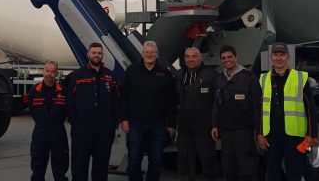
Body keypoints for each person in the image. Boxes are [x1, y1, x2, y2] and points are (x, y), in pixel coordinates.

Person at [256, 43, 317, 181]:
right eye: (276, 55)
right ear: (271, 58)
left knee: (294, 174)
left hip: (294, 137)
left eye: (282, 55)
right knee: (272, 174)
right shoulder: (263, 79)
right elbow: (259, 110)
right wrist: (259, 134)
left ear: (288, 57)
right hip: (270, 136)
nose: (279, 58)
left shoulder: (300, 78)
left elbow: (310, 108)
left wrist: (311, 135)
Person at [120, 41, 177, 181]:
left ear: (157, 54)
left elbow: (172, 100)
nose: (149, 55)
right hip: (135, 124)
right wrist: (124, 119)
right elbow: (123, 97)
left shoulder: (165, 73)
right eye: (147, 52)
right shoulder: (131, 71)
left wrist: (171, 124)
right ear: (142, 54)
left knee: (156, 160)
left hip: (158, 125)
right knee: (134, 160)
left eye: (152, 52)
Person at [67, 42, 120, 181]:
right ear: (88, 54)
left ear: (102, 55)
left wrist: (112, 125)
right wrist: (75, 122)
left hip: (104, 131)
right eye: (94, 52)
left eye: (99, 53)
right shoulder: (77, 76)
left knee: (101, 167)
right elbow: (69, 101)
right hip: (82, 130)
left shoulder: (110, 77)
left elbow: (116, 103)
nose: (96, 55)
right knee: (79, 166)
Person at [211, 45, 260, 181]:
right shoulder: (220, 79)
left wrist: (258, 130)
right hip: (226, 131)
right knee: (228, 165)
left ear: (236, 57)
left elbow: (257, 106)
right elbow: (216, 104)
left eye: (229, 57)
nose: (227, 60)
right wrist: (215, 125)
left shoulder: (249, 78)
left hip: (244, 130)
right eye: (224, 58)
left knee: (247, 166)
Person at [175, 47, 218, 181]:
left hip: (204, 127)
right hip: (184, 127)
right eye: (187, 57)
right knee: (184, 162)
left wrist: (215, 124)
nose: (191, 59)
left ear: (200, 58)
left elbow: (217, 102)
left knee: (207, 162)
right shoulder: (179, 75)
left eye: (194, 56)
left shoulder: (211, 75)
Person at [29, 60, 69, 181]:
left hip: (58, 133)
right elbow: (32, 110)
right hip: (40, 133)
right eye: (47, 71)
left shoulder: (63, 91)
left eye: (52, 72)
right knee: (37, 169)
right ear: (43, 71)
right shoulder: (34, 90)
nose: (49, 74)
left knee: (60, 169)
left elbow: (68, 111)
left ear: (56, 74)